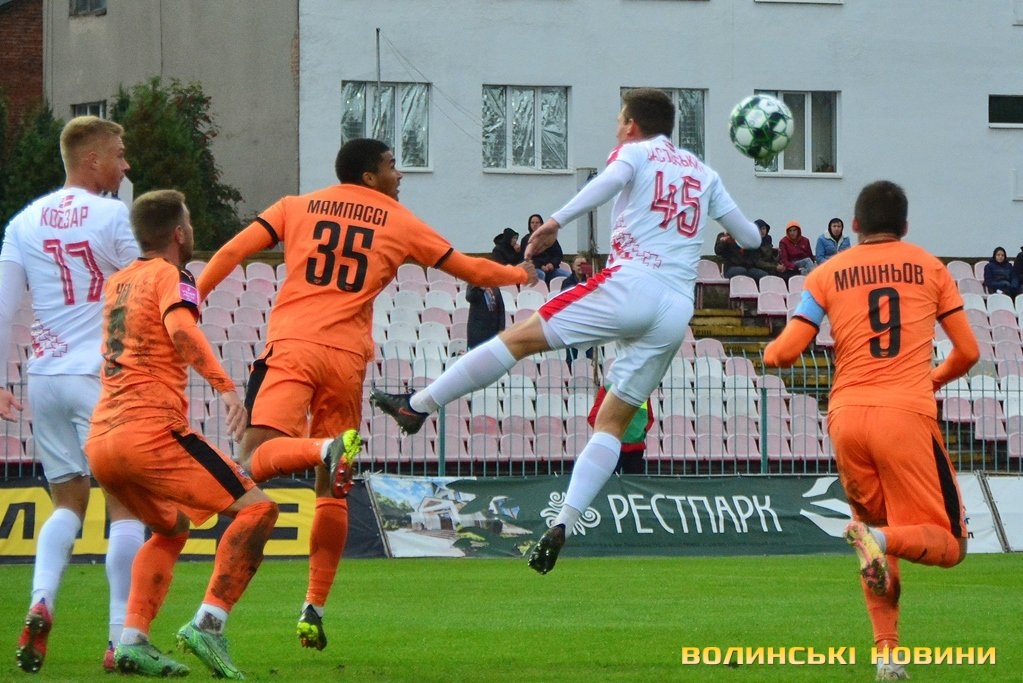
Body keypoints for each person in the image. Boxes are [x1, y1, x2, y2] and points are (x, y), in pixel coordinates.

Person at [370, 87, 761, 574]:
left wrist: (556, 221)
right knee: (612, 424)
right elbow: (750, 238)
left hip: (631, 283)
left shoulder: (635, 153)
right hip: (676, 308)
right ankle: (564, 523)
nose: (617, 128)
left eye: (619, 120)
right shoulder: (704, 173)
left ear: (631, 125)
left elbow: (608, 182)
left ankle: (417, 405)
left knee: (518, 340)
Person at [195, 138, 537, 651]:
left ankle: (209, 594)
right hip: (346, 361)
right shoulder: (399, 222)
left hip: (292, 347)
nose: (400, 176)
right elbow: (472, 271)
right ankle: (313, 606)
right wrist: (519, 274)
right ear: (370, 176)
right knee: (332, 490)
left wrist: (193, 298)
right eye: (392, 166)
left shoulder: (295, 206)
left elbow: (231, 252)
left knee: (251, 464)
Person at [763, 180, 978, 682]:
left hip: (847, 417)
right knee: (951, 545)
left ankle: (887, 655)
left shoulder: (827, 272)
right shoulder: (930, 267)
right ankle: (875, 537)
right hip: (904, 415)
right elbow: (968, 352)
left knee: (878, 536)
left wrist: (770, 352)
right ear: (905, 226)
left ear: (855, 225)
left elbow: (785, 352)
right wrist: (930, 380)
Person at [85, 189, 280, 679]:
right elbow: (180, 330)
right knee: (258, 509)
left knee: (171, 528)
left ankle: (132, 640)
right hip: (149, 431)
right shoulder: (174, 275)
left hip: (102, 440)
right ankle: (208, 624)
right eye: (189, 222)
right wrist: (228, 390)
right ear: (178, 233)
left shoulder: (119, 282)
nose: (192, 230)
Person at [0, 116, 145, 674]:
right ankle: (119, 638)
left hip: (45, 377)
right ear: (93, 160)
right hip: (100, 376)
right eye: (120, 154)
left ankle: (42, 599)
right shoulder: (113, 216)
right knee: (126, 506)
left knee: (66, 502)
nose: (125, 166)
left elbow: (5, 306)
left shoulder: (22, 221)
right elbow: (149, 284)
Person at [587, 384, 653, 474]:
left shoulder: (607, 389)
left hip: (616, 445)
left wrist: (607, 434)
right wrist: (641, 432)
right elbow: (649, 418)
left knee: (611, 478)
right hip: (629, 444)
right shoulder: (643, 391)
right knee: (634, 479)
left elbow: (593, 418)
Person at [561, 255, 595, 370]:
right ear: (573, 267)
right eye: (578, 265)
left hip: (588, 321)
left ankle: (591, 373)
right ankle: (570, 372)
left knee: (590, 353)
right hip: (572, 321)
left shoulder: (591, 281)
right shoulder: (567, 282)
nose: (581, 267)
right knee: (571, 354)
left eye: (583, 265)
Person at [520, 213, 571, 282]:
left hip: (551, 269)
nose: (535, 224)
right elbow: (526, 259)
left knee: (568, 276)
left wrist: (552, 264)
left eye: (537, 222)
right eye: (532, 223)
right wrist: (540, 266)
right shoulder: (526, 240)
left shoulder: (549, 238)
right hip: (536, 268)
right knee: (541, 274)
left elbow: (558, 255)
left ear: (541, 224)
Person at [465, 278, 507, 349]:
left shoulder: (494, 287)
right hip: (477, 331)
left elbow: (501, 309)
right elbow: (469, 297)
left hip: (493, 330)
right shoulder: (474, 286)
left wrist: (501, 328)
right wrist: (480, 288)